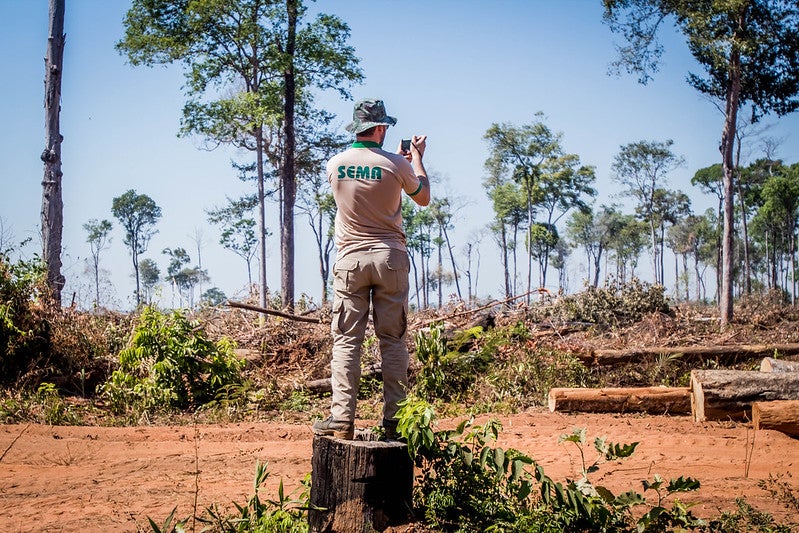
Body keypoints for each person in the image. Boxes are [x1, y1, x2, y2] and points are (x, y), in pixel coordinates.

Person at [312, 98, 430, 440]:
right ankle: (394, 420)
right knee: (392, 340)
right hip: (390, 258)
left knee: (347, 340)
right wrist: (416, 159)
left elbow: (367, 175)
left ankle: (341, 420)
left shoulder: (335, 164)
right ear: (379, 128)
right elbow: (422, 196)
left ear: (357, 127)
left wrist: (394, 159)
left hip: (350, 260)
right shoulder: (397, 164)